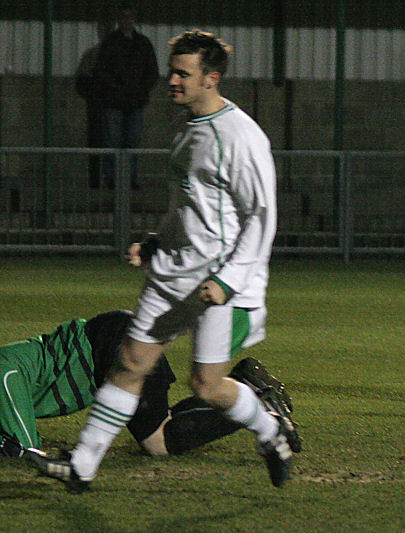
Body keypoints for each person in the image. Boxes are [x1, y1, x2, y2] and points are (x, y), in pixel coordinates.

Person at [28, 30, 286, 493]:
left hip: (217, 282)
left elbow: (261, 218)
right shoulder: (188, 130)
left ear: (212, 78)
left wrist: (227, 281)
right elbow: (189, 209)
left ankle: (269, 430)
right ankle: (83, 466)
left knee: (206, 385)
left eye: (182, 73)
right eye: (171, 70)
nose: (171, 80)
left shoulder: (240, 136)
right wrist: (155, 242)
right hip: (174, 273)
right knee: (130, 362)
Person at [2, 310, 300, 460]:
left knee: (158, 442)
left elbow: (22, 448)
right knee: (161, 428)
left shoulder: (3, 373)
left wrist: (17, 448)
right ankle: (244, 386)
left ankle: (257, 402)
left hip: (108, 345)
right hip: (107, 341)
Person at [93, 2, 159, 189]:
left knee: (132, 143)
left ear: (134, 20)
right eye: (123, 18)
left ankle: (129, 179)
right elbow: (100, 71)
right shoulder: (111, 43)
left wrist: (140, 90)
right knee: (113, 143)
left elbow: (152, 72)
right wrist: (116, 88)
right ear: (118, 20)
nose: (126, 21)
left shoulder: (143, 43)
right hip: (115, 102)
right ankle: (113, 179)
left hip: (134, 102)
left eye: (129, 17)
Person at [75, 21, 113, 188]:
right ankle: (97, 180)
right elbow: (81, 82)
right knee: (98, 142)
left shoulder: (111, 55)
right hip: (98, 107)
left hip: (112, 106)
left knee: (112, 143)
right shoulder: (92, 55)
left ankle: (110, 180)